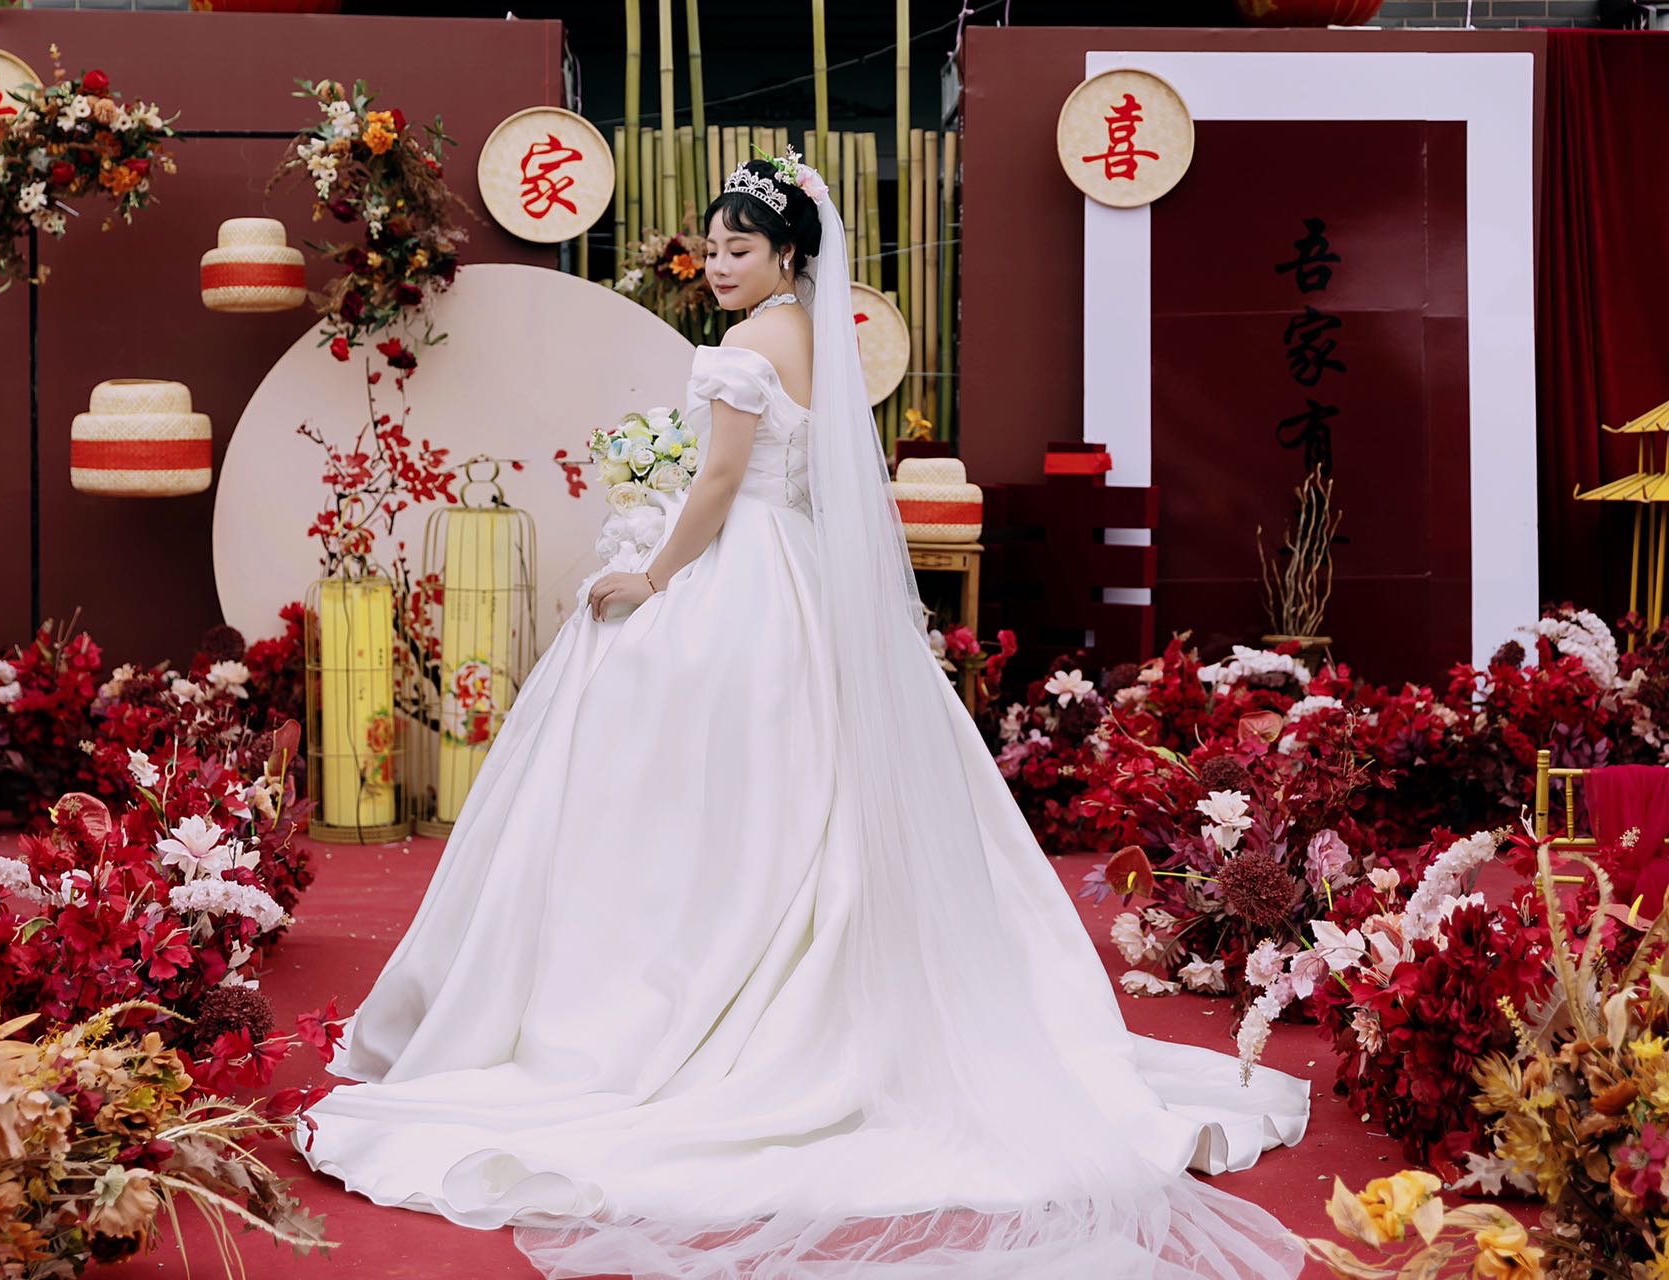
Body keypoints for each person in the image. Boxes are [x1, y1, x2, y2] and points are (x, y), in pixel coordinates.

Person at [295, 154, 1311, 1279]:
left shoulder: (744, 347)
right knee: (809, 779)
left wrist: (655, 575)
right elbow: (812, 482)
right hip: (804, 577)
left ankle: (672, 997)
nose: (718, 265)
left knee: (679, 768)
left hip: (739, 571)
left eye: (740, 248)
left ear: (788, 254)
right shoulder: (822, 342)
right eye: (711, 248)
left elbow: (721, 482)